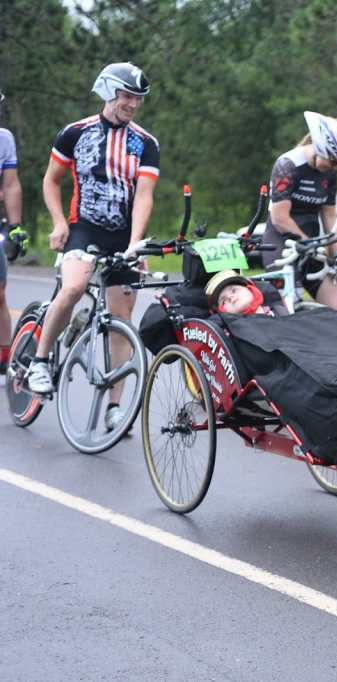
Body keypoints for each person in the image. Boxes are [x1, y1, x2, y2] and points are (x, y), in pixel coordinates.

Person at [27, 62, 159, 432]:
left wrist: (135, 244)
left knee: (121, 320)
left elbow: (144, 196)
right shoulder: (75, 133)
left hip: (122, 233)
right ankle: (39, 362)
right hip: (83, 227)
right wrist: (58, 222)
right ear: (108, 91)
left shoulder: (146, 143)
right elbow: (51, 180)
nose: (133, 104)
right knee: (72, 288)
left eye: (139, 98)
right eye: (127, 96)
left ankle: (115, 407)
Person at [261, 111, 337, 315]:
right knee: (289, 314)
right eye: (333, 161)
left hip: (311, 246)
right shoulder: (288, 165)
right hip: (281, 245)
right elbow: (279, 218)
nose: (335, 168)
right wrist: (308, 243)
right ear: (320, 147)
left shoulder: (329, 173)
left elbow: (329, 217)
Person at [0, 90, 25, 374]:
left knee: (0, 292)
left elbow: (11, 184)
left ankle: (4, 356)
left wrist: (15, 226)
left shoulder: (4, 139)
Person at [205, 270, 280, 316]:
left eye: (234, 290)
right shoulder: (226, 333)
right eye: (224, 301)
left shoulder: (280, 312)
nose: (230, 297)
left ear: (250, 289)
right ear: (221, 310)